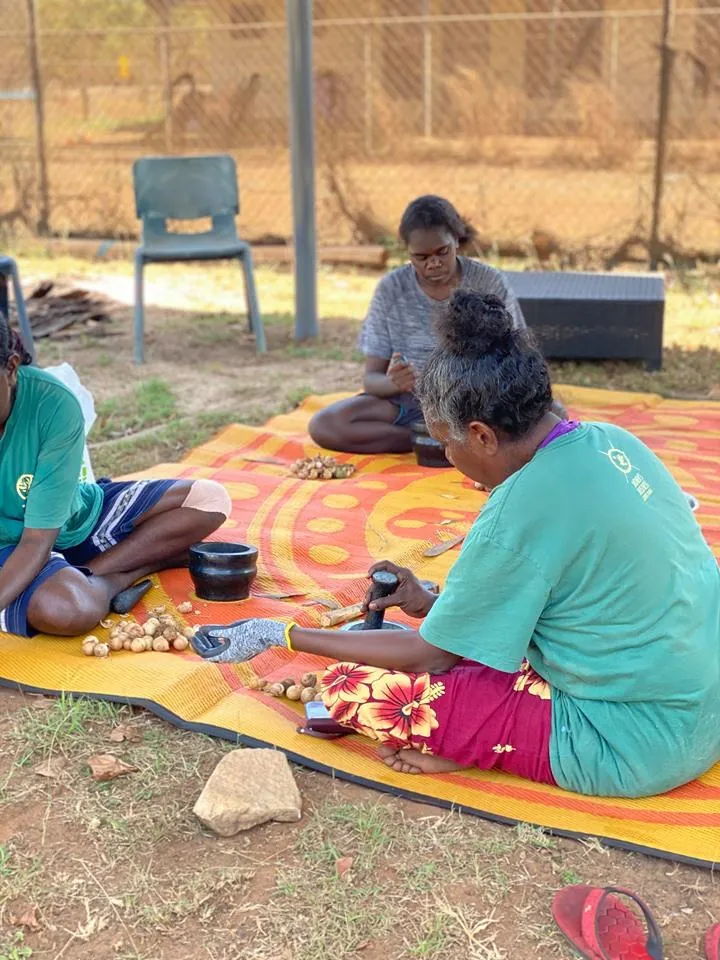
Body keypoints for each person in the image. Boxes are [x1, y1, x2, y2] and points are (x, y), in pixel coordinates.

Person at [201, 292, 720, 799]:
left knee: (354, 690)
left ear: (482, 436)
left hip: (632, 744)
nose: (448, 455)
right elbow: (575, 585)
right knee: (469, 654)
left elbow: (429, 657)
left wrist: (281, 633)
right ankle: (483, 734)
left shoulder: (519, 506)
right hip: (702, 702)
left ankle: (477, 744)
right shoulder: (613, 440)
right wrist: (430, 604)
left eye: (445, 442)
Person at [0, 317, 232, 638]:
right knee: (65, 610)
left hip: (67, 527)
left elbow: (38, 538)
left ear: (11, 368)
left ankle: (94, 576)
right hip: (7, 548)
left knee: (209, 499)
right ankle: (122, 575)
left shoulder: (51, 403)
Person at [308, 195, 526, 454]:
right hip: (414, 405)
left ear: (456, 239)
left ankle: (444, 442)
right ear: (408, 253)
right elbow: (372, 380)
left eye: (441, 252)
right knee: (327, 425)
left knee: (544, 415)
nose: (433, 263)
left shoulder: (488, 283)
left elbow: (520, 359)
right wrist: (395, 383)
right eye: (421, 257)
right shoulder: (391, 289)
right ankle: (434, 442)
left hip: (476, 402)